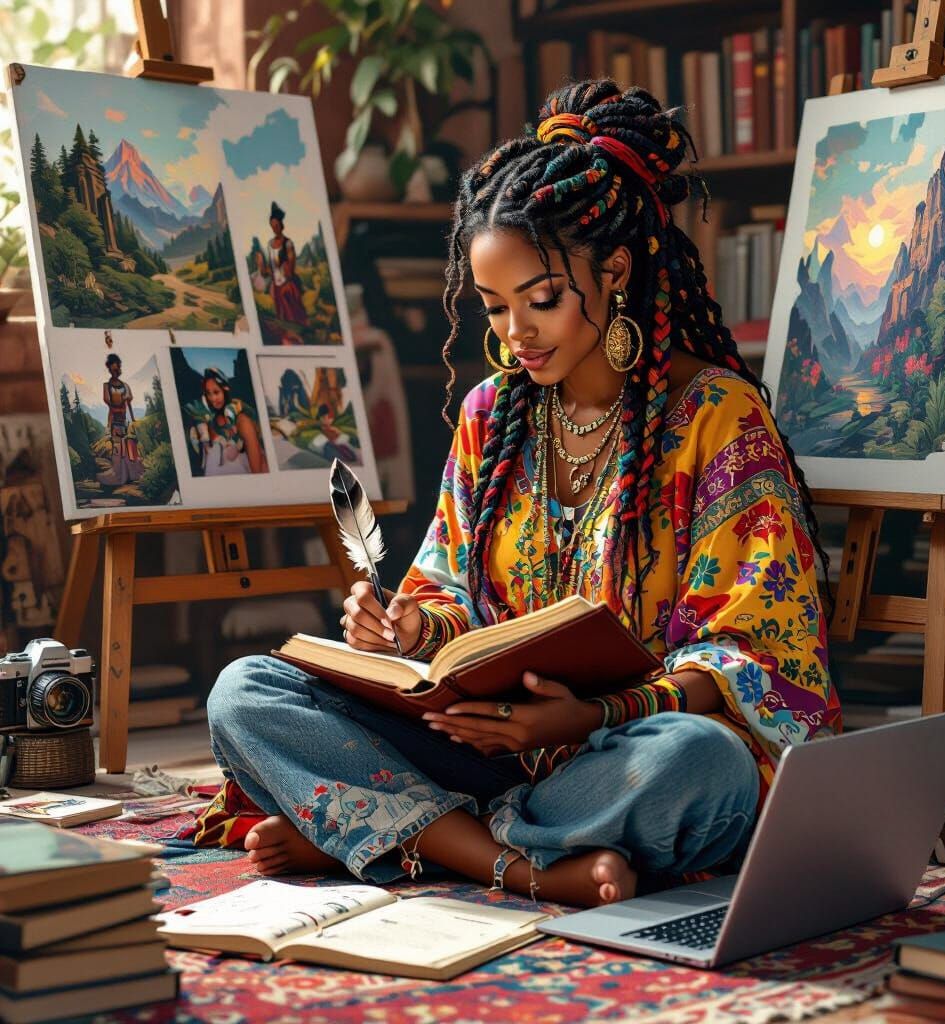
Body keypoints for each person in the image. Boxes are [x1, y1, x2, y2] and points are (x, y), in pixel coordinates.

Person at [206, 81, 841, 908]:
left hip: (624, 749)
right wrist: (407, 627)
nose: (514, 335)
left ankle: (400, 834)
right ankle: (519, 859)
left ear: (614, 270)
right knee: (248, 692)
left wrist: (590, 715)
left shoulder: (717, 418)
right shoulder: (491, 416)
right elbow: (448, 592)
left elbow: (761, 653)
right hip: (485, 746)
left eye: (540, 301)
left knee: (699, 763)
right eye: (494, 307)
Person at [188, 367, 268, 476]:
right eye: (208, 393)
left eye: (216, 392)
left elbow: (258, 472)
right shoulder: (210, 424)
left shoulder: (242, 420)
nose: (212, 398)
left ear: (225, 390)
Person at [253, 201, 308, 327]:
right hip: (277, 287)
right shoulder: (270, 244)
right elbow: (268, 271)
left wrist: (283, 270)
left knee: (295, 318)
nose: (274, 229)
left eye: (276, 225)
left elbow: (290, 268)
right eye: (272, 226)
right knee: (282, 321)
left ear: (281, 225)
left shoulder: (288, 244)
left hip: (287, 286)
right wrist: (261, 264)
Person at [96, 353, 144, 486]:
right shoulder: (107, 386)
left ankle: (131, 474)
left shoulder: (125, 386)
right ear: (109, 369)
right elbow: (109, 403)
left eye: (117, 368)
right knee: (117, 448)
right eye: (113, 369)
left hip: (125, 419)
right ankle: (119, 474)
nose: (116, 371)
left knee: (129, 447)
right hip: (114, 421)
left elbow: (128, 405)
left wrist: (133, 420)